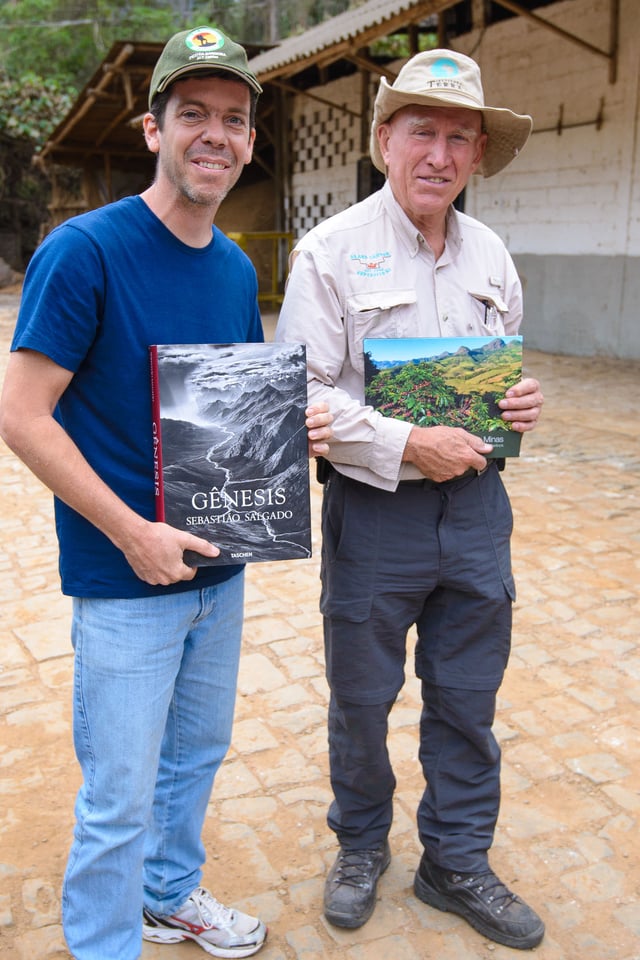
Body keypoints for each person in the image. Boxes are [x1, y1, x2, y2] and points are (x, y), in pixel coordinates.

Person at [0, 25, 331, 960]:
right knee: (118, 789)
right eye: (195, 115)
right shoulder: (86, 251)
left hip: (218, 572)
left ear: (251, 141)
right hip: (122, 581)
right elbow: (22, 415)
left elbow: (217, 410)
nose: (215, 135)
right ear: (155, 129)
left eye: (234, 119)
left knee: (193, 759)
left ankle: (168, 894)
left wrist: (278, 439)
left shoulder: (232, 267)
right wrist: (132, 531)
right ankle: (104, 941)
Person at [276, 49, 545, 951]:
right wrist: (404, 445)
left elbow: (496, 374)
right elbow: (302, 393)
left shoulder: (492, 254)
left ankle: (455, 860)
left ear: (476, 154)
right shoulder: (329, 250)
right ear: (385, 138)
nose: (439, 153)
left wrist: (519, 403)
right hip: (375, 517)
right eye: (421, 132)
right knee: (362, 697)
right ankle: (358, 846)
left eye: (458, 137)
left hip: (477, 515)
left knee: (467, 698)